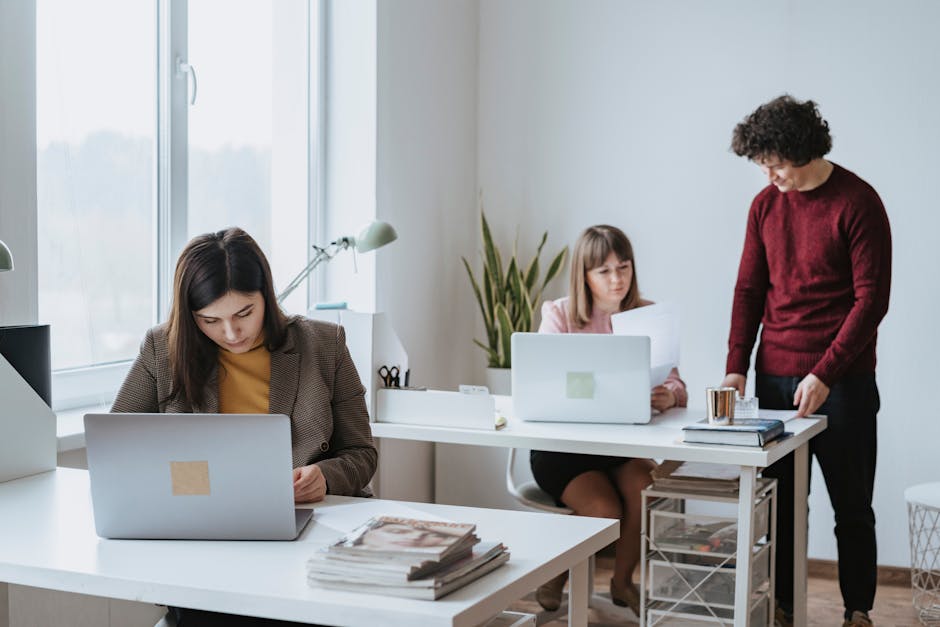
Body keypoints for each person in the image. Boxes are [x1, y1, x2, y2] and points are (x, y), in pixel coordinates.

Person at [112, 227, 377, 626]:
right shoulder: (161, 350)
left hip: (306, 537)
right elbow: (117, 448)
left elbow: (362, 454)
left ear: (266, 297)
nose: (231, 333)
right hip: (203, 542)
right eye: (210, 320)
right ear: (190, 316)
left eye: (244, 313)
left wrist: (325, 476)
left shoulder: (324, 345)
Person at [722, 95, 891, 627]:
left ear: (802, 150)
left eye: (776, 163)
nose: (770, 175)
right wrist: (735, 367)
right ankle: (786, 606)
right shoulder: (763, 207)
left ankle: (857, 610)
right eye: (762, 166)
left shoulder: (858, 202)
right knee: (785, 506)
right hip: (774, 375)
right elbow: (749, 291)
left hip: (844, 381)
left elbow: (872, 301)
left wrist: (826, 371)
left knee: (852, 508)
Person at [529, 225, 688, 615]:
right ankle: (556, 575)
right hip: (563, 451)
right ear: (584, 275)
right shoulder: (560, 314)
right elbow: (541, 381)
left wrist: (669, 395)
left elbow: (677, 382)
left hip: (621, 447)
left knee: (643, 489)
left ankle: (622, 582)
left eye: (624, 267)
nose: (617, 279)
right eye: (604, 271)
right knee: (604, 511)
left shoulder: (648, 315)